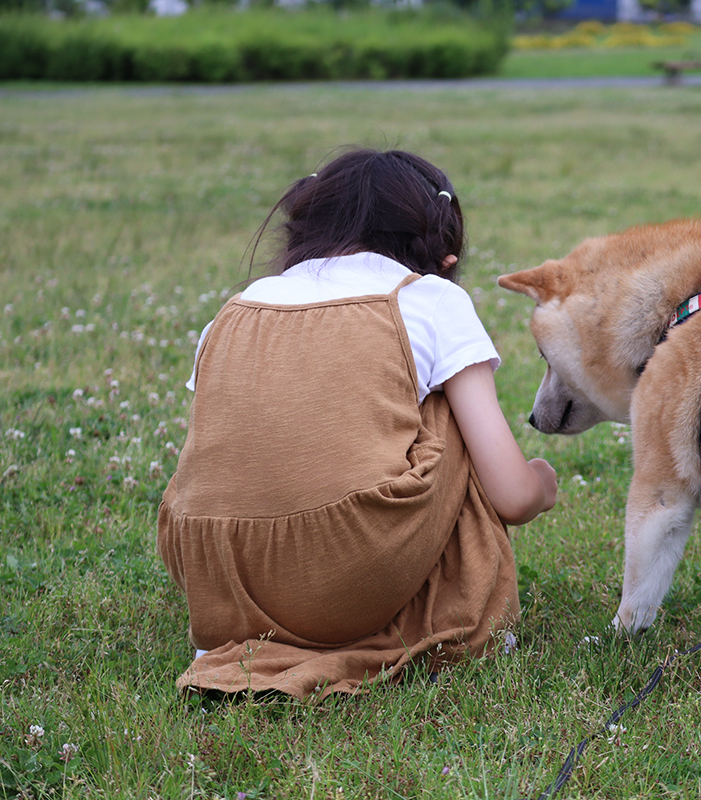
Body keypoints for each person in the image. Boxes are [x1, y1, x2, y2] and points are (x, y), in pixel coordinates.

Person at [157, 148, 558, 699]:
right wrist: (540, 482)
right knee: (446, 409)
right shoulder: (430, 299)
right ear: (438, 246)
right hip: (345, 573)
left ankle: (251, 630)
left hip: (212, 577)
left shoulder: (236, 307)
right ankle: (449, 615)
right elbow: (511, 497)